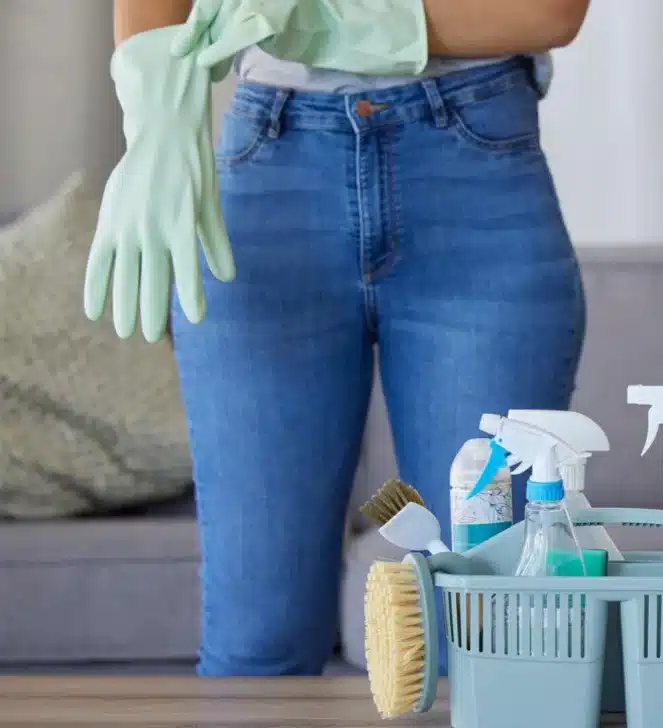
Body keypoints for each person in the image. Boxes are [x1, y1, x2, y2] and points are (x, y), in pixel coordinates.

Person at [106, 0, 591, 676]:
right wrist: (149, 96)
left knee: (491, 640)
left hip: (475, 177)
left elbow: (542, 12)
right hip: (271, 165)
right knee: (259, 643)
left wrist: (308, 22)